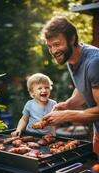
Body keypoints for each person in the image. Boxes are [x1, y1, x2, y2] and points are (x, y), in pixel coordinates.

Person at [41, 15, 99, 158]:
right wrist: (67, 104)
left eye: (57, 44)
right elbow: (82, 88)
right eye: (50, 46)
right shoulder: (70, 58)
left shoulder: (94, 63)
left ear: (72, 39)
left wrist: (66, 115)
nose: (53, 51)